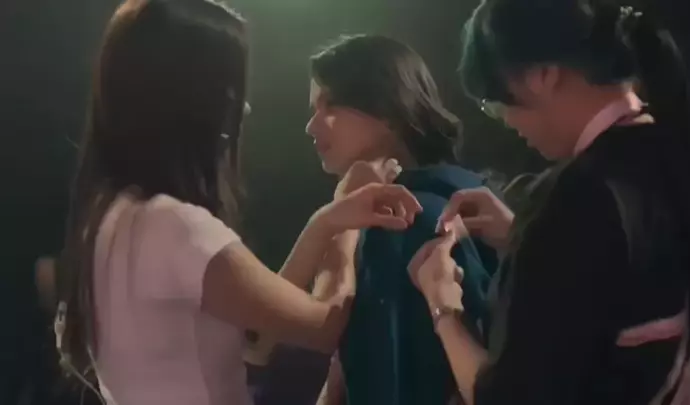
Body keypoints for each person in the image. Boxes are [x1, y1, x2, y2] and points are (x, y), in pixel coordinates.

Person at [54, 1, 423, 405]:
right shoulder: (177, 228)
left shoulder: (114, 216)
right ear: (194, 96)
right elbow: (322, 326)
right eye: (231, 90)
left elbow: (256, 335)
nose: (243, 108)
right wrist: (345, 226)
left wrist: (325, 222)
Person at [408, 1, 690, 405]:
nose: (504, 120)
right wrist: (524, 235)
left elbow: (508, 398)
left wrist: (443, 307)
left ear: (542, 75)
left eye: (494, 102)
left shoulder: (576, 196)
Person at [298, 35, 496, 405]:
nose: (311, 126)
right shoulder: (467, 202)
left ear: (388, 110)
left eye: (330, 104)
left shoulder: (405, 220)